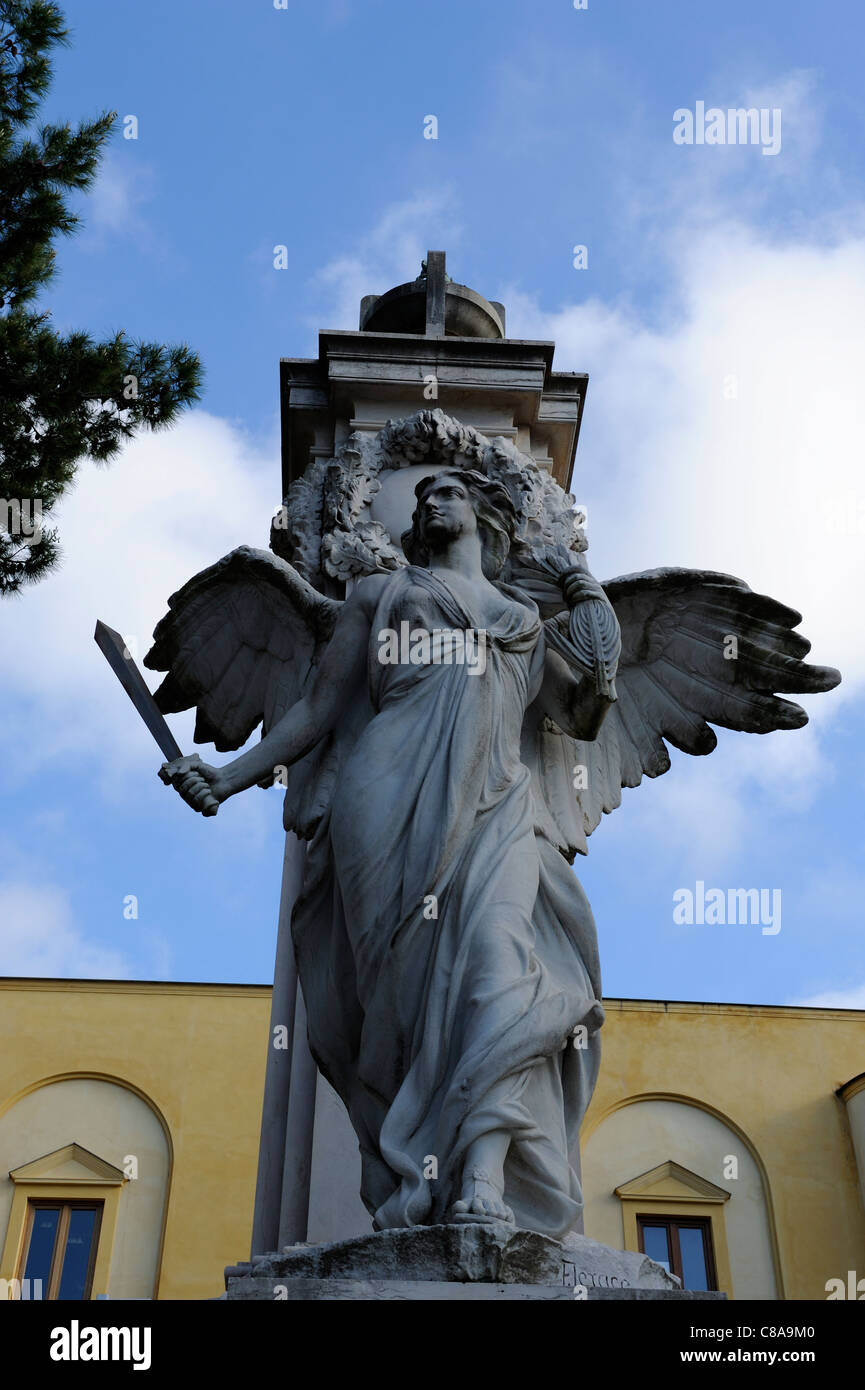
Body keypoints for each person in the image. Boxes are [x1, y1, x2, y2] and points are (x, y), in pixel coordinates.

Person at [163, 469, 615, 1237]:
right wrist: (232, 776)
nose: (427, 502)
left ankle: (482, 1173)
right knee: (397, 1006)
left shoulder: (522, 619)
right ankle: (415, 1182)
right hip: (385, 793)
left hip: (497, 807)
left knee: (499, 968)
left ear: (484, 517)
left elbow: (583, 710)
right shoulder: (378, 595)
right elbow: (320, 704)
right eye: (423, 495)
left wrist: (584, 589)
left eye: (447, 493)